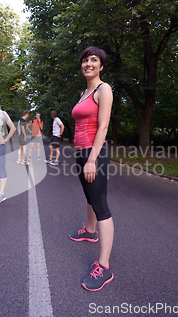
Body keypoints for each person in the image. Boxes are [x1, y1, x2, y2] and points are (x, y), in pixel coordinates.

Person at [68, 46, 114, 291]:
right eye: (85, 60)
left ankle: (104, 267)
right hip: (82, 152)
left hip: (94, 153)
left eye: (94, 60)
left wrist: (92, 159)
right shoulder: (84, 92)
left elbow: (103, 126)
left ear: (101, 66)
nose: (88, 64)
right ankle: (89, 230)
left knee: (101, 205)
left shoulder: (103, 89)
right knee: (89, 196)